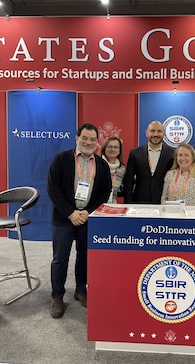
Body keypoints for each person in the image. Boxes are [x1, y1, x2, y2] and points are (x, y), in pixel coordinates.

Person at [47, 122, 112, 319]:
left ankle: (80, 290)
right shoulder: (61, 159)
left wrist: (88, 212)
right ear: (77, 138)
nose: (88, 142)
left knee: (85, 257)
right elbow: (53, 188)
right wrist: (71, 213)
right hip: (64, 217)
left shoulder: (101, 164)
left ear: (97, 142)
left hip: (87, 218)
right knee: (60, 258)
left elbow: (104, 192)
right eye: (85, 138)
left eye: (93, 139)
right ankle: (57, 296)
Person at [124, 120, 174, 204]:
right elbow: (129, 181)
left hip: (162, 202)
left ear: (164, 133)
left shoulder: (172, 154)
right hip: (139, 202)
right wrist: (128, 203)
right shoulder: (135, 153)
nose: (155, 134)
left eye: (159, 131)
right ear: (147, 133)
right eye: (152, 131)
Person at [99, 136, 125, 203]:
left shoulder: (122, 170)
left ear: (119, 151)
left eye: (116, 147)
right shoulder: (97, 165)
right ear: (104, 148)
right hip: (94, 207)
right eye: (109, 146)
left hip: (112, 206)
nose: (112, 149)